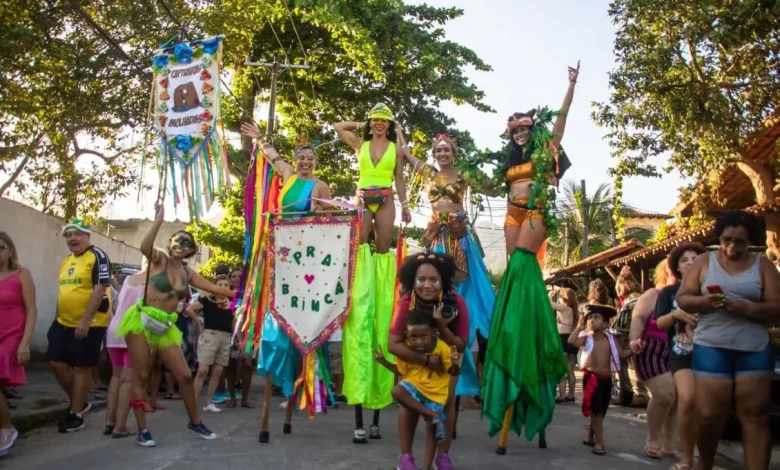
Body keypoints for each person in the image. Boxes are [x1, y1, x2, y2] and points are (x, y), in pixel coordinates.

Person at [482, 63, 579, 454]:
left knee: (524, 260)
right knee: (512, 271)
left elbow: (561, 121)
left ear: (533, 129)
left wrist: (570, 86)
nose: (521, 132)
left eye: (525, 127)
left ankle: (527, 325)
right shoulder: (509, 160)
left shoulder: (546, 149)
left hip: (537, 210)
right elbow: (489, 186)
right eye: (516, 129)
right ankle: (512, 317)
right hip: (511, 211)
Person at [239, 122, 334, 443]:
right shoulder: (288, 177)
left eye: (310, 158)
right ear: (296, 160)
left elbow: (325, 224)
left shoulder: (320, 186)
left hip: (304, 258)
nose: (305, 161)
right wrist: (258, 138)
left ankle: (302, 381)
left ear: (315, 163)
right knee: (274, 318)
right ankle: (278, 375)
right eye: (301, 157)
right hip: (279, 254)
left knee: (300, 322)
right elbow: (272, 154)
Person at [117, 205, 234, 447]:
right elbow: (144, 247)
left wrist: (246, 293)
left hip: (165, 325)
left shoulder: (188, 273)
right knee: (140, 375)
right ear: (170, 243)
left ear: (191, 250)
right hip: (141, 320)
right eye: (176, 240)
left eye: (186, 242)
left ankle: (194, 421)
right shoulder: (159, 259)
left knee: (184, 375)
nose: (180, 244)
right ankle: (142, 430)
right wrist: (158, 221)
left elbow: (215, 289)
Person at [677, 210, 780, 470]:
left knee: (755, 415)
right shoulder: (704, 262)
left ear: (751, 241)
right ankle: (705, 465)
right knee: (710, 415)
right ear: (719, 238)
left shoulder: (763, 266)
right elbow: (683, 298)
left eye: (740, 241)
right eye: (726, 240)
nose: (732, 246)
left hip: (753, 346)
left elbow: (777, 306)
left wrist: (748, 309)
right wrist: (704, 302)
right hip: (712, 344)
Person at [398, 131, 496, 402]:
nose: (443, 154)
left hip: (458, 237)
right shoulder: (428, 173)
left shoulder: (465, 174)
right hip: (437, 238)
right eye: (438, 150)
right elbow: (405, 154)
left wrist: (495, 170)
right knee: (435, 297)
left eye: (447, 150)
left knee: (465, 303)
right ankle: (437, 378)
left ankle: (468, 386)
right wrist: (399, 131)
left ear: (454, 153)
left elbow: (494, 188)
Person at [334, 104, 412, 442]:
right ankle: (360, 280)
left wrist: (406, 206)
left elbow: (400, 178)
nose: (379, 126)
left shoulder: (395, 149)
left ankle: (382, 284)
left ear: (390, 126)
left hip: (387, 197)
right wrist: (364, 120)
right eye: (376, 122)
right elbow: (340, 126)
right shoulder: (361, 145)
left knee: (382, 249)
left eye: (384, 122)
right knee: (360, 248)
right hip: (364, 196)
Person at [388, 253, 470, 470]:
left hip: (447, 359)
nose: (427, 285)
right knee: (408, 401)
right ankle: (405, 459)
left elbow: (461, 345)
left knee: (446, 403)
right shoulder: (407, 301)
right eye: (421, 279)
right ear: (412, 280)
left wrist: (441, 325)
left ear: (442, 281)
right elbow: (393, 344)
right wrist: (425, 361)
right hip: (414, 360)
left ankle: (438, 460)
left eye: (433, 280)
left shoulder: (455, 301)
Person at [375, 310, 462, 470]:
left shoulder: (441, 347)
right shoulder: (406, 349)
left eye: (423, 336)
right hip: (415, 386)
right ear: (407, 337)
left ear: (433, 334)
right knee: (397, 392)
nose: (418, 342)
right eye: (413, 337)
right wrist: (383, 362)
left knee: (432, 432)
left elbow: (453, 372)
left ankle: (427, 465)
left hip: (436, 393)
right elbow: (401, 371)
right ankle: (432, 415)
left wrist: (455, 363)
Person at [48, 219, 112, 433]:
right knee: (56, 362)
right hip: (63, 322)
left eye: (78, 234)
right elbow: (64, 293)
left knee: (82, 367)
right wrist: (56, 319)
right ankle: (81, 402)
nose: (73, 238)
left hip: (91, 323)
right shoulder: (67, 261)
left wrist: (85, 321)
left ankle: (76, 414)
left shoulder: (98, 256)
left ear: (87, 236)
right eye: (69, 235)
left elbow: (101, 287)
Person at [654, 242, 707, 470]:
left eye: (695, 258)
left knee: (707, 409)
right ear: (677, 267)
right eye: (684, 260)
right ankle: (686, 458)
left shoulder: (711, 290)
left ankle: (703, 457)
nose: (689, 262)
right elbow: (659, 322)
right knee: (686, 400)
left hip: (710, 352)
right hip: (681, 353)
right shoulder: (668, 293)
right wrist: (677, 314)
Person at [568, 304, 634, 456]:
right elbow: (571, 341)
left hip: (606, 379)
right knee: (597, 411)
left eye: (596, 317)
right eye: (590, 317)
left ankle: (591, 436)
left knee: (600, 412)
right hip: (591, 379)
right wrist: (579, 325)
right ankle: (600, 443)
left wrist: (634, 350)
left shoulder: (611, 340)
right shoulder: (586, 338)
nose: (592, 320)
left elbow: (622, 354)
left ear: (605, 323)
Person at [628, 259, 677, 459]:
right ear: (666, 271)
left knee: (679, 399)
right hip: (652, 349)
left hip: (680, 350)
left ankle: (670, 444)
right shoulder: (653, 294)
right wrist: (634, 340)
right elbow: (638, 318)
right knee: (665, 395)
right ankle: (653, 438)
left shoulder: (690, 295)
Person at [0, 232, 36, 454]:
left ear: (10, 250)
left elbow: (32, 310)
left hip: (13, 336)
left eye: (1, 247)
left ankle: (6, 428)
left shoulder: (22, 274)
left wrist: (25, 343)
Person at [104, 266, 148, 439]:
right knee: (129, 379)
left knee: (116, 377)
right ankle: (120, 426)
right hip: (134, 332)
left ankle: (109, 421)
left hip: (115, 329)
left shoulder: (129, 280)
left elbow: (115, 306)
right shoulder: (153, 284)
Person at [189, 275, 234, 412]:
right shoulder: (207, 300)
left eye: (226, 285)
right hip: (210, 335)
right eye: (220, 284)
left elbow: (233, 321)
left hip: (225, 337)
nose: (223, 287)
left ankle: (208, 402)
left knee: (218, 371)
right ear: (214, 287)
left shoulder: (232, 302)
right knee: (202, 370)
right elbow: (189, 309)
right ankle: (192, 403)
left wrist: (235, 338)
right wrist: (199, 322)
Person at [226, 268, 256, 409]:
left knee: (247, 364)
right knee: (230, 365)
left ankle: (245, 398)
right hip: (227, 334)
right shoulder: (225, 295)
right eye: (234, 276)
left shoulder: (248, 296)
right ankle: (232, 398)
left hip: (246, 334)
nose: (237, 278)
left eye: (240, 276)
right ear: (229, 278)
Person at [549, 287, 578, 403]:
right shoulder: (573, 310)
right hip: (572, 340)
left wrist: (551, 295)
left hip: (563, 339)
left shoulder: (565, 309)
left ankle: (561, 395)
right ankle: (571, 395)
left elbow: (549, 304)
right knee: (571, 370)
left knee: (562, 369)